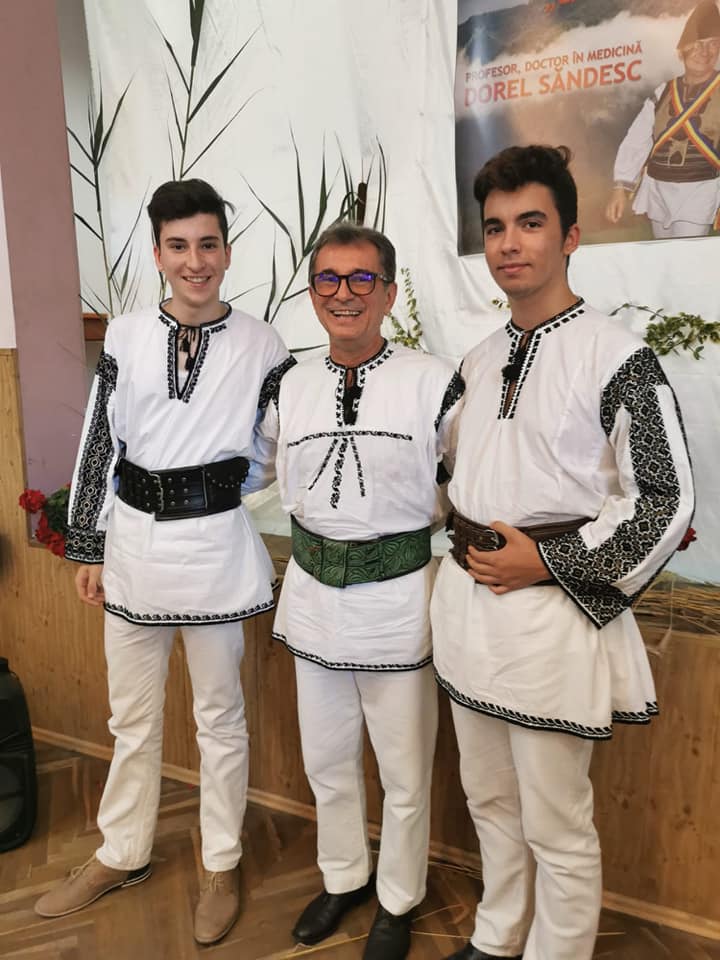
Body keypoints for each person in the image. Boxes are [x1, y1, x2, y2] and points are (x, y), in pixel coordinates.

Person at [431, 145, 694, 960]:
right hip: (467, 609)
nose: (510, 243)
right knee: (488, 798)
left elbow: (665, 498)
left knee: (555, 818)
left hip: (551, 619)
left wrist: (546, 563)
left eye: (531, 223)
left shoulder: (617, 356)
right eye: (496, 227)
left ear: (571, 236)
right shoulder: (477, 361)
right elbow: (447, 470)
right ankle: (498, 933)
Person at [34, 179, 294, 945]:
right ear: (157, 254)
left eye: (208, 244)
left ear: (227, 252)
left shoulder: (263, 344)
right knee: (132, 717)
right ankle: (123, 851)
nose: (195, 261)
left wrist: (219, 486)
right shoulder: (124, 336)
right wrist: (90, 544)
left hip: (215, 552)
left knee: (220, 717)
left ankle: (221, 861)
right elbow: (99, 440)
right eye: (178, 246)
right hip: (134, 551)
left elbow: (275, 446)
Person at [257, 223, 464, 960]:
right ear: (313, 291)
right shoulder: (288, 383)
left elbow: (467, 478)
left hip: (398, 601)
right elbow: (257, 467)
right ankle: (343, 876)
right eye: (328, 279)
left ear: (389, 292)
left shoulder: (435, 380)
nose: (343, 294)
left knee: (404, 772)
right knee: (327, 759)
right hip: (312, 597)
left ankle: (399, 900)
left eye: (361, 279)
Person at [606, 0, 720, 239]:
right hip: (657, 189)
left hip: (700, 190)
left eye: (712, 44)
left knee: (685, 255)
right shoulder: (663, 91)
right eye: (697, 44)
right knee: (662, 255)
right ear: (683, 48)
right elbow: (638, 138)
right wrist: (620, 187)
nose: (704, 52)